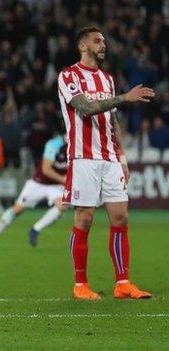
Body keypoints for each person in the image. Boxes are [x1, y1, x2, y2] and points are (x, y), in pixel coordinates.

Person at [57, 26, 155, 300]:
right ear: (83, 46)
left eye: (104, 42)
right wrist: (126, 97)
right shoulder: (69, 76)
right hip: (83, 157)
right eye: (98, 41)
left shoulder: (108, 79)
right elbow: (85, 108)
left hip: (110, 157)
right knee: (85, 218)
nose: (103, 45)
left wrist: (122, 158)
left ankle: (123, 283)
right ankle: (80, 285)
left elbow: (112, 121)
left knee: (121, 217)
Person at [0, 131, 68, 250]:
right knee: (17, 209)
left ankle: (35, 229)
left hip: (56, 186)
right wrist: (63, 180)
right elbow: (46, 169)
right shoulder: (54, 144)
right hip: (38, 183)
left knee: (63, 204)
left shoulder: (78, 146)